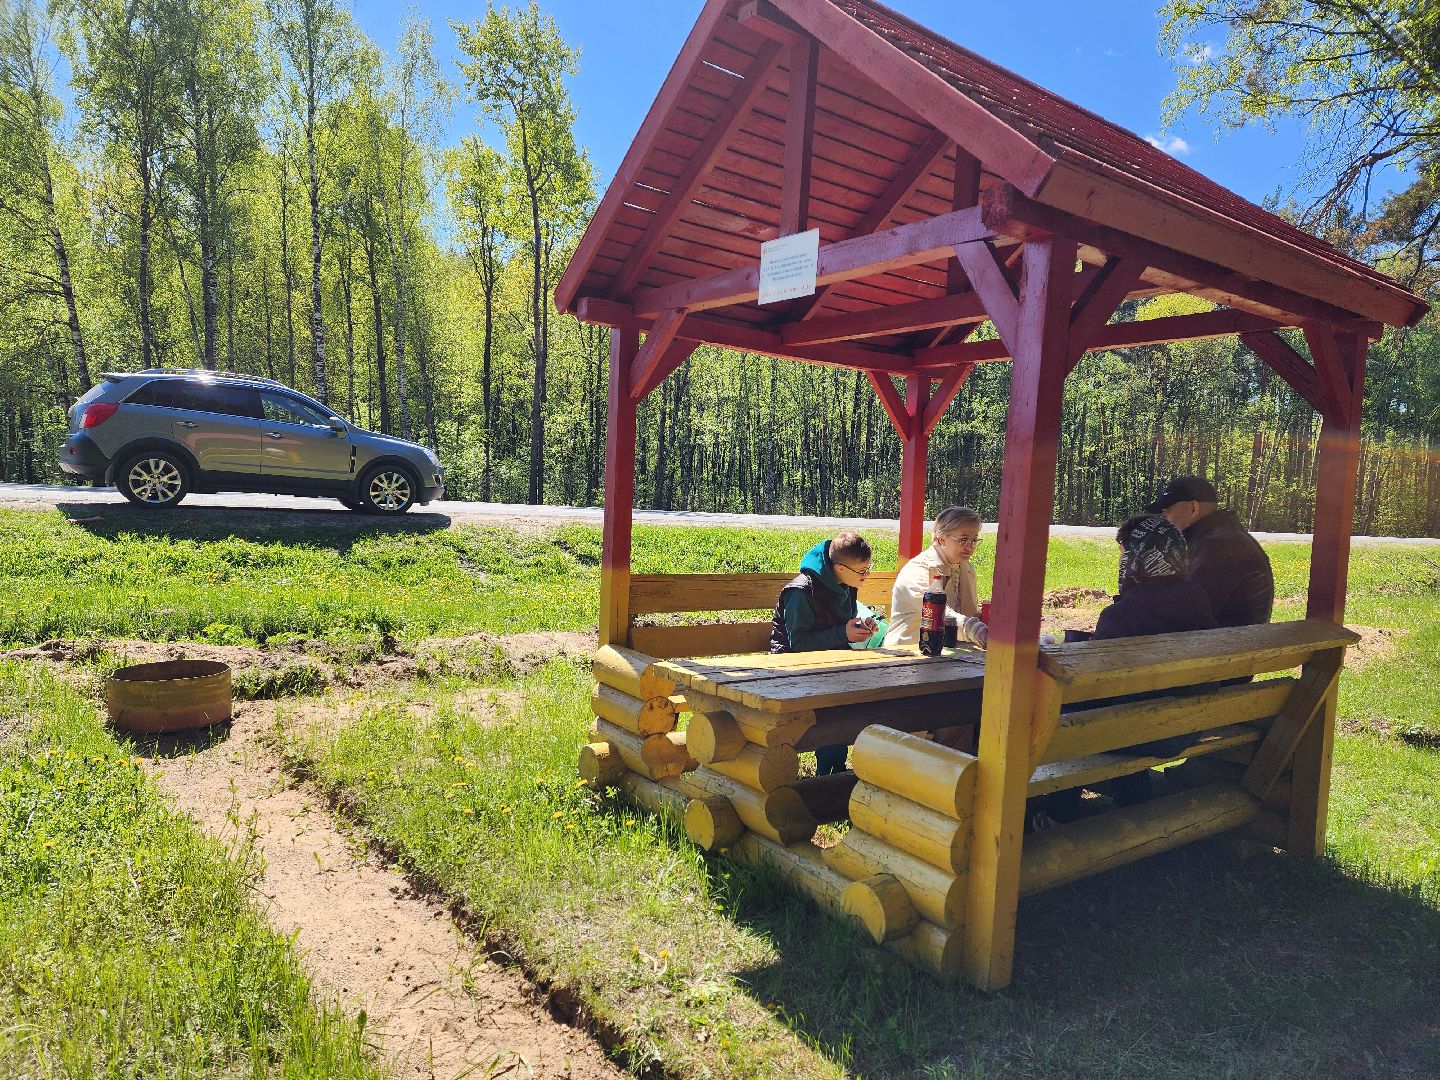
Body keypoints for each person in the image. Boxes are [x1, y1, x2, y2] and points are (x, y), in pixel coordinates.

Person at [1031, 514, 1217, 829]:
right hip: (1186, 725)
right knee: (1119, 712)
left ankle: (1057, 812)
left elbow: (1089, 686)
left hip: (1140, 732)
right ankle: (1134, 800)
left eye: (1124, 553)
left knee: (1065, 714)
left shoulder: (1123, 615)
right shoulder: (1198, 599)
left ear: (1138, 557)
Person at [770, 531, 880, 774]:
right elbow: (797, 644)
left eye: (868, 568)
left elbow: (841, 626)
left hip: (831, 664)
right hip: (792, 669)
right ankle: (829, 774)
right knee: (836, 704)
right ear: (840, 568)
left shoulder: (846, 584)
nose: (867, 575)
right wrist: (843, 634)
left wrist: (860, 627)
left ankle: (835, 771)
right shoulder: (800, 592)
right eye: (862, 571)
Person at [1145, 475, 1274, 627]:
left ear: (1194, 508)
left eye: (1167, 510)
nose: (1164, 517)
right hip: (1234, 641)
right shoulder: (1224, 537)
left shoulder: (1218, 547)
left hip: (1225, 645)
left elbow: (1184, 611)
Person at [885, 506, 987, 650]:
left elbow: (967, 612)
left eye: (974, 539)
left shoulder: (967, 568)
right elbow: (937, 614)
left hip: (953, 654)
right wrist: (976, 630)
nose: (970, 546)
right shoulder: (918, 569)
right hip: (909, 653)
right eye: (963, 539)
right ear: (941, 539)